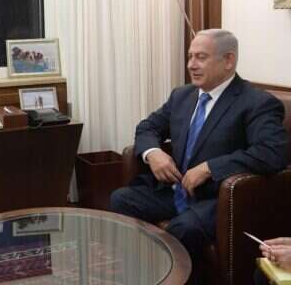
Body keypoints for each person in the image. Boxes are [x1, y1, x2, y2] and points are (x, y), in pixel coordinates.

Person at [110, 29, 287, 281]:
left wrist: (210, 168)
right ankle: (141, 271)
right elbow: (147, 127)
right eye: (190, 56)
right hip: (176, 189)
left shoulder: (257, 102)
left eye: (201, 57)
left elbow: (271, 153)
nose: (191, 65)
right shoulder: (182, 96)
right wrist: (153, 153)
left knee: (182, 229)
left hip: (217, 198)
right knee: (121, 199)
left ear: (228, 60)